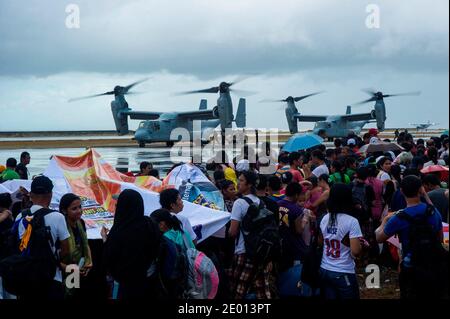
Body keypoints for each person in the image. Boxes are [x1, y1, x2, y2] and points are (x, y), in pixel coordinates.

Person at [375, 175, 445, 299]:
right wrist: (425, 195)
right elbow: (440, 239)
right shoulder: (433, 212)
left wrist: (384, 220)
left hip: (410, 266)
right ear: (421, 189)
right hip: (433, 263)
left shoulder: (398, 218)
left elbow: (379, 238)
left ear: (401, 191)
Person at [13, 176, 70, 299]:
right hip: (51, 278)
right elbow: (66, 249)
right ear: (50, 194)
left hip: (24, 278)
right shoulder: (58, 217)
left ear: (31, 194)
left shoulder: (20, 216)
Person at [102, 189, 160, 300]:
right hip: (150, 282)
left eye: (118, 205)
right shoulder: (149, 224)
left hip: (125, 287)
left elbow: (109, 258)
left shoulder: (119, 231)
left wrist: (105, 239)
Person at [228, 171, 275, 299]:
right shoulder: (261, 202)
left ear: (249, 185)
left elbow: (233, 232)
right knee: (263, 292)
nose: (238, 183)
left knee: (238, 290)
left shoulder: (239, 203)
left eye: (241, 181)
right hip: (261, 253)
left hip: (244, 252)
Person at [319, 183, 362, 299]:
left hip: (325, 269)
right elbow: (356, 251)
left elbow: (321, 241)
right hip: (343, 271)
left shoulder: (325, 218)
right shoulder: (352, 221)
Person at [277, 182, 315, 297]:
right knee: (295, 276)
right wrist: (305, 220)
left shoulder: (278, 204)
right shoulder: (296, 209)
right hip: (295, 247)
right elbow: (299, 230)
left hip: (282, 244)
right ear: (297, 195)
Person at [58, 193, 93, 299]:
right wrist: (70, 268)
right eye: (74, 209)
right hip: (65, 272)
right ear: (64, 211)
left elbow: (85, 244)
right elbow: (53, 258)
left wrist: (89, 261)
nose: (79, 211)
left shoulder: (80, 223)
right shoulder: (61, 227)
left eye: (80, 207)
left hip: (79, 269)